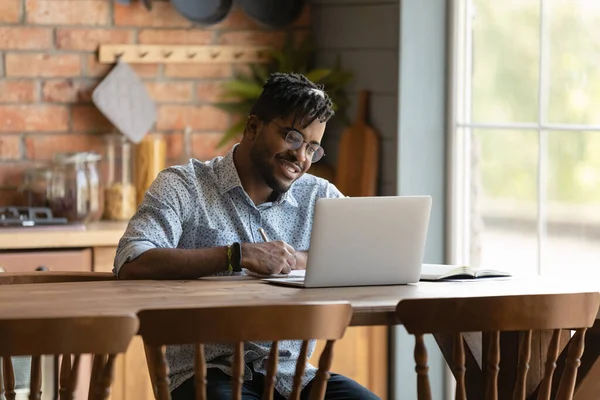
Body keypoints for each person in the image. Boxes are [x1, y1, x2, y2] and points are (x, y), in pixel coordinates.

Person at [113, 72, 380, 400]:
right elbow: (132, 260)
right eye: (293, 138)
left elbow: (363, 258)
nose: (301, 158)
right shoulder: (183, 185)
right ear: (253, 127)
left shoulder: (319, 196)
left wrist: (296, 260)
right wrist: (235, 255)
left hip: (292, 374)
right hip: (206, 374)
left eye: (312, 148)